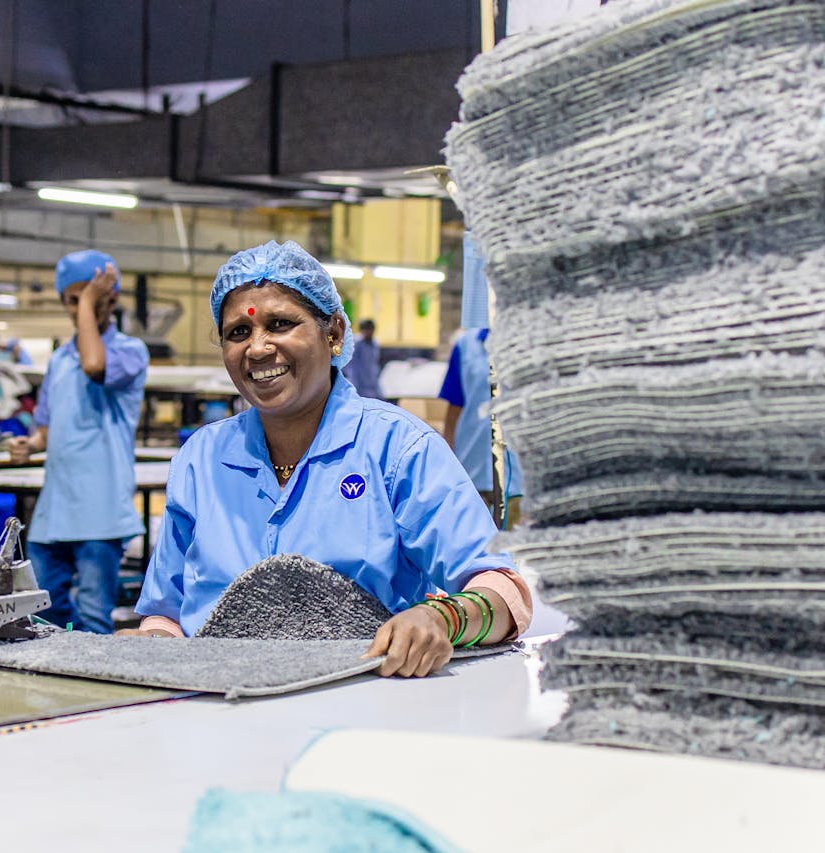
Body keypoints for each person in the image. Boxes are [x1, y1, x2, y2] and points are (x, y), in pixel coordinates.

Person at [125, 241, 531, 677]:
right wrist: (150, 642)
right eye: (238, 333)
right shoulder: (200, 461)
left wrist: (441, 619)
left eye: (280, 324)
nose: (258, 348)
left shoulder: (397, 448)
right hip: (220, 708)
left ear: (334, 333)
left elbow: (501, 590)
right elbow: (166, 613)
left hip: (357, 706)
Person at [7, 250, 148, 634]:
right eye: (72, 300)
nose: (80, 308)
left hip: (100, 512)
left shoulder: (130, 352)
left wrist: (86, 303)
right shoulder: (59, 360)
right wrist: (31, 444)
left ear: (111, 299)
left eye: (89, 297)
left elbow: (95, 365)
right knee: (41, 613)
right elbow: (49, 427)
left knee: (91, 617)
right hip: (55, 509)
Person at [439, 327, 523, 529]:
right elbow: (454, 410)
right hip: (471, 471)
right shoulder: (465, 345)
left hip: (518, 477)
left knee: (515, 553)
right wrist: (447, 461)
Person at [341, 318, 382, 398]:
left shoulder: (374, 343)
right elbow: (347, 364)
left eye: (371, 330)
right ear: (362, 331)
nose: (369, 333)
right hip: (357, 383)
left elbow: (374, 363)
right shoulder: (355, 343)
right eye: (366, 330)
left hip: (371, 384)